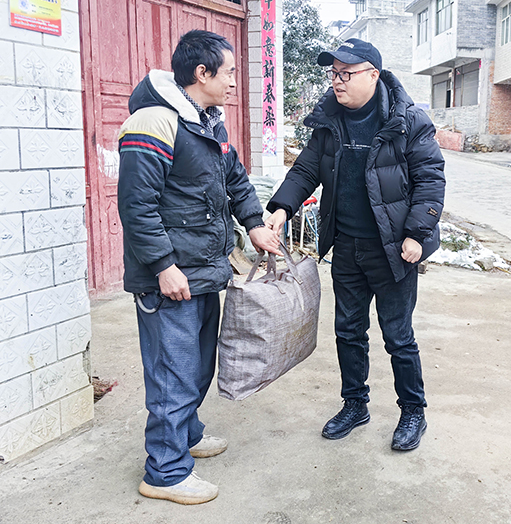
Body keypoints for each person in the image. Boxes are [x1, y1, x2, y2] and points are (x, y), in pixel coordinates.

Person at [117, 30, 280, 505]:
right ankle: (164, 472)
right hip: (170, 277)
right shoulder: (153, 122)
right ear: (201, 73)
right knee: (172, 371)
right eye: (228, 72)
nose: (233, 82)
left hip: (204, 269)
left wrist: (253, 225)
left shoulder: (208, 122)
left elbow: (236, 181)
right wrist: (163, 266)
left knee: (195, 365)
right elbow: (138, 207)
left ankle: (184, 435)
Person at [265, 38, 445, 451]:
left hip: (392, 249)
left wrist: (418, 233)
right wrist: (281, 208)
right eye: (333, 74)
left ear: (373, 75)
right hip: (346, 244)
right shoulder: (331, 120)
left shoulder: (406, 119)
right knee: (347, 331)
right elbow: (306, 168)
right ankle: (355, 404)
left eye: (346, 74)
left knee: (398, 336)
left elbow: (431, 179)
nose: (337, 82)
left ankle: (413, 412)